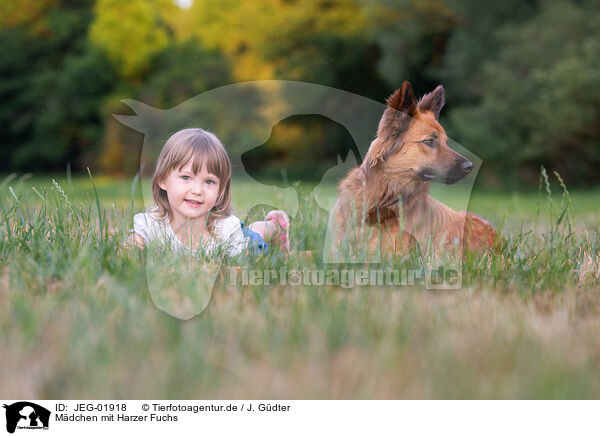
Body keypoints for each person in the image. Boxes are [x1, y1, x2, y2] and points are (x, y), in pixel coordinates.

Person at [125, 128, 290, 257]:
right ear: (162, 180)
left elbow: (254, 261)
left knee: (256, 233)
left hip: (241, 238)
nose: (197, 190)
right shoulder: (152, 224)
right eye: (186, 177)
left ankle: (275, 226)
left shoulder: (225, 232)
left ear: (220, 190)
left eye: (209, 181)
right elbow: (128, 251)